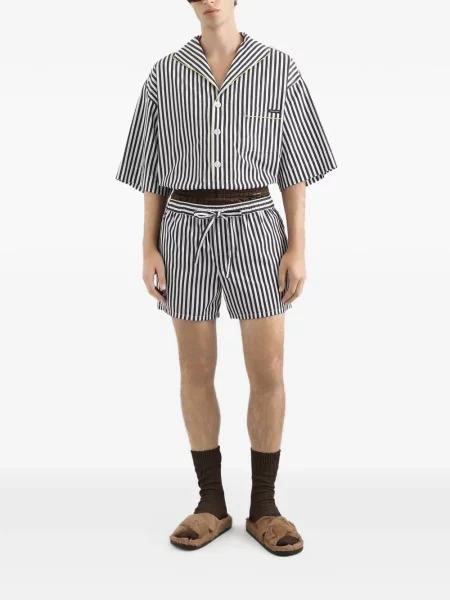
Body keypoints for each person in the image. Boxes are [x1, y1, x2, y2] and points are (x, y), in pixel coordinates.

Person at [115, 0, 337, 556]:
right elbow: (150, 169)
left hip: (256, 226)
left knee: (269, 368)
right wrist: (147, 246)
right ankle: (210, 502)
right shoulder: (165, 74)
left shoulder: (278, 68)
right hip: (183, 227)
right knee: (195, 369)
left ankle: (266, 507)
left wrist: (297, 245)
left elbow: (296, 166)